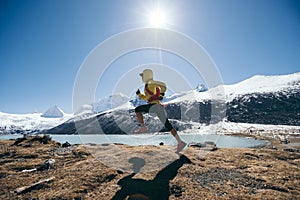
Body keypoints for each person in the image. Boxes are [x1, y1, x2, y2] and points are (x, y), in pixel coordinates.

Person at [134, 69, 186, 153]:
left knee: (137, 109)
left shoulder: (151, 83)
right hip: (157, 107)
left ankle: (143, 127)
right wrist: (139, 94)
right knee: (167, 125)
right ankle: (180, 142)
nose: (142, 78)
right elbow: (146, 98)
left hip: (154, 106)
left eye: (142, 76)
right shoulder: (147, 86)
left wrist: (161, 94)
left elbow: (163, 86)